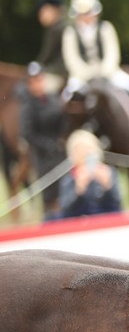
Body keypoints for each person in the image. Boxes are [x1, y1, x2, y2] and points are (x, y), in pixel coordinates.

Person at [61, 0, 129, 111]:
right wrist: (88, 73)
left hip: (109, 74)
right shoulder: (70, 33)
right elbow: (71, 59)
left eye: (88, 13)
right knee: (67, 98)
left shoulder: (106, 28)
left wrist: (103, 72)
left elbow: (112, 55)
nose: (86, 17)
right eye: (82, 14)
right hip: (81, 77)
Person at [19, 61, 67, 217]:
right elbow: (28, 133)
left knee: (65, 190)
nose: (38, 84)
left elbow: (62, 120)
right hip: (43, 156)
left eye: (40, 79)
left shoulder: (54, 99)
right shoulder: (28, 107)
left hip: (60, 152)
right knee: (50, 196)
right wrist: (47, 145)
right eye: (34, 81)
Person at [57, 129, 122, 218]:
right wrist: (79, 190)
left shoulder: (108, 172)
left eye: (88, 149)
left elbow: (117, 204)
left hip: (106, 219)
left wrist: (107, 186)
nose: (85, 153)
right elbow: (65, 210)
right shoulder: (69, 178)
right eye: (79, 150)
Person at [34, 0, 68, 94]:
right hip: (57, 71)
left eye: (44, 11)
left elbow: (48, 56)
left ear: (55, 10)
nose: (41, 15)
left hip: (60, 73)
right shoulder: (56, 28)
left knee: (38, 90)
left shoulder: (59, 29)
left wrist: (39, 68)